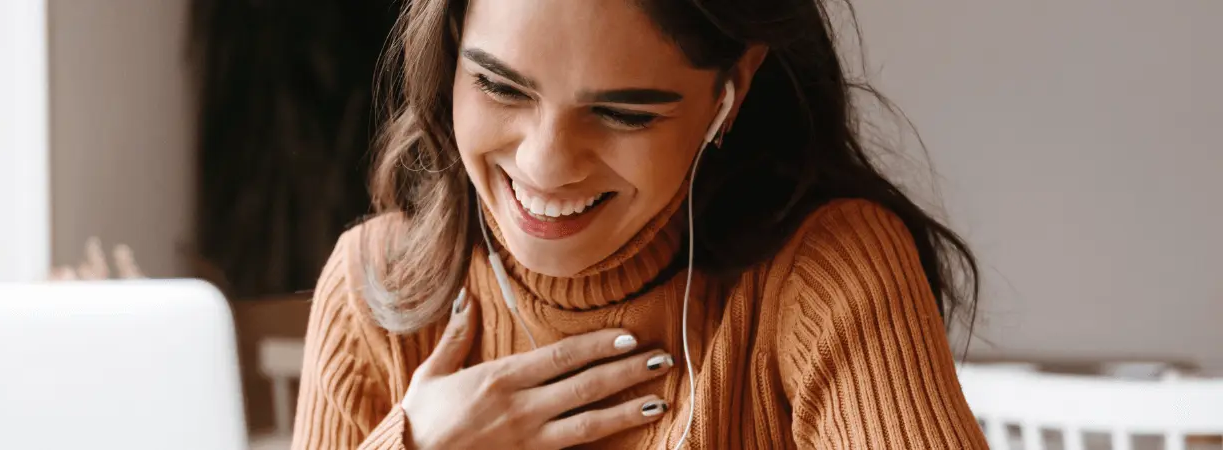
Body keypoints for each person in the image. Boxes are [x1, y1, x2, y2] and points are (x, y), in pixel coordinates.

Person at [293, 0, 987, 448]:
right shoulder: (374, 291)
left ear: (730, 91)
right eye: (499, 87)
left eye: (623, 113)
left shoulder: (829, 273)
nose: (545, 166)